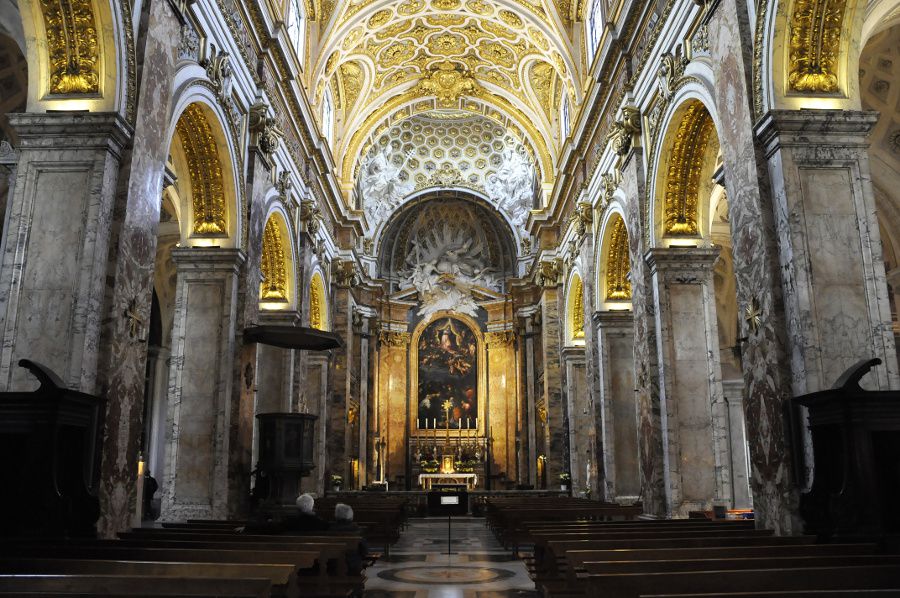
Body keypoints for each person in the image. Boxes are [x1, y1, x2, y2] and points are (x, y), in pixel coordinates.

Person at [330, 503, 369, 575]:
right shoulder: (356, 530)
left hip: (331, 565)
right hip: (352, 566)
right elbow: (365, 550)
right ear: (350, 515)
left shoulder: (330, 529)